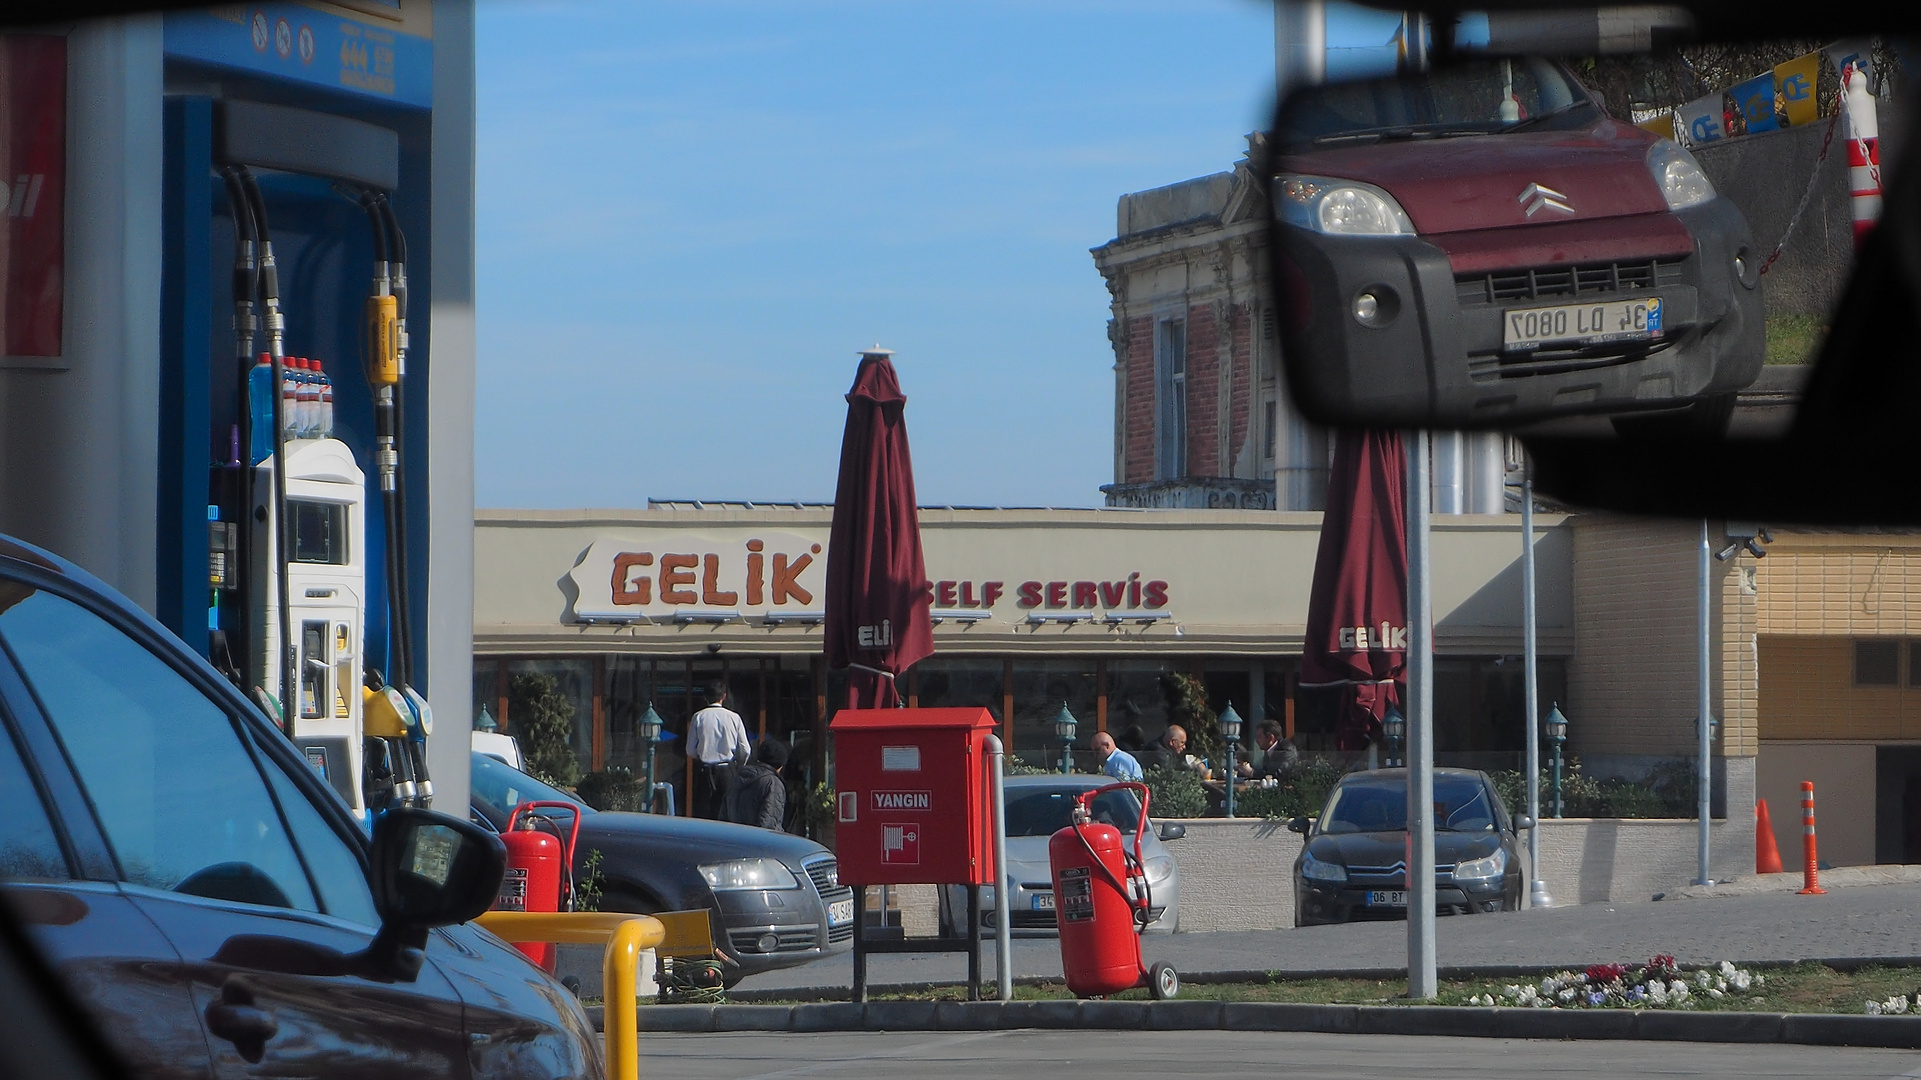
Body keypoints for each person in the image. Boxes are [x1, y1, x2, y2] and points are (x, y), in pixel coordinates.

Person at [687, 680, 749, 819]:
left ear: (705, 697)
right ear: (724, 696)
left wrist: (702, 755)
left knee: (704, 816)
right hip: (727, 771)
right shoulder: (734, 718)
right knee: (728, 814)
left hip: (705, 771)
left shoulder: (698, 717)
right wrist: (739, 765)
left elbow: (690, 750)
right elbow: (745, 749)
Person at [725, 738, 789, 831]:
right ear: (780, 765)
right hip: (758, 842)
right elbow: (770, 822)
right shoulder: (772, 783)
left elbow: (724, 814)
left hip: (734, 838)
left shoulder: (738, 777)